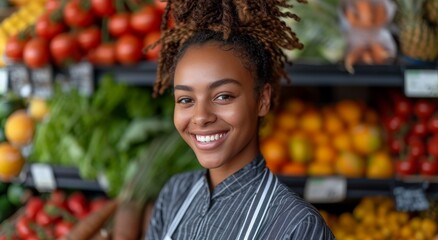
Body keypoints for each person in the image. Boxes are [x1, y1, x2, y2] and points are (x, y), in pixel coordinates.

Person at [145, 0, 335, 239]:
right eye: (185, 100)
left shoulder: (297, 226)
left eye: (223, 96)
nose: (201, 117)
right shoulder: (175, 193)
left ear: (262, 100)